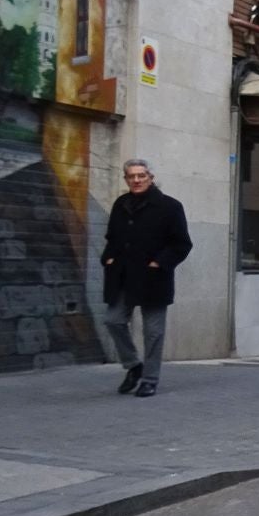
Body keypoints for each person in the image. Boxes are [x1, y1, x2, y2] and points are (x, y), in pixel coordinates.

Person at [101, 159, 193, 397]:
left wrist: (159, 263)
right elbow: (111, 237)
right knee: (113, 320)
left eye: (141, 175)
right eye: (131, 176)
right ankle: (134, 366)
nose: (136, 180)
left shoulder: (170, 206)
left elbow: (182, 244)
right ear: (126, 179)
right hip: (122, 275)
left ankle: (150, 379)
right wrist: (108, 258)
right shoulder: (121, 204)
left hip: (153, 278)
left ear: (151, 177)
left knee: (153, 332)